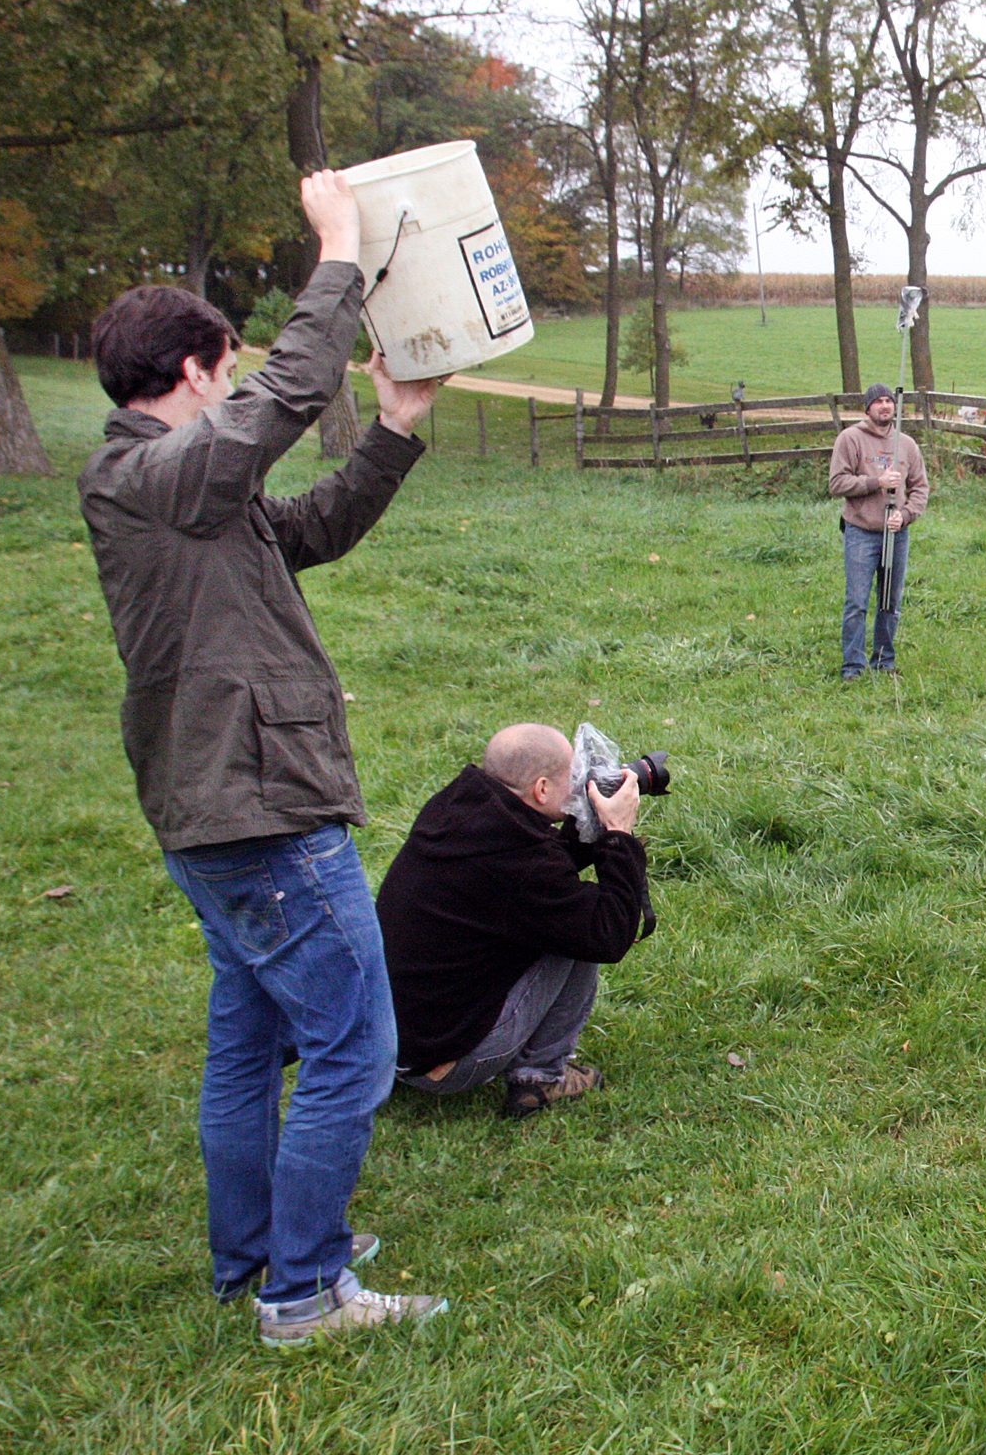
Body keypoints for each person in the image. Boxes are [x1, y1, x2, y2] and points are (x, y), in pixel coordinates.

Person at [78, 172, 449, 1346]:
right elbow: (289, 391)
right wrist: (338, 250)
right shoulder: (155, 475)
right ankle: (305, 1291)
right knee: (354, 1045)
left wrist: (396, 425)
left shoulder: (183, 492)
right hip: (260, 810)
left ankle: (257, 1255)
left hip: (218, 810)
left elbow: (315, 526)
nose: (234, 384)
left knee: (249, 1042)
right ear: (196, 373)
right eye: (225, 369)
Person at [375, 724, 653, 1121]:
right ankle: (540, 1077)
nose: (579, 785)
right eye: (573, 777)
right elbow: (606, 935)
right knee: (578, 933)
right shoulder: (520, 865)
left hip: (385, 1042)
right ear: (541, 790)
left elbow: (541, 870)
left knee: (558, 918)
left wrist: (586, 820)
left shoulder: (459, 809)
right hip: (443, 1063)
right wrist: (618, 834)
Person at [827, 381, 930, 677]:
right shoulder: (851, 439)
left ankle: (884, 661)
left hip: (896, 534)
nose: (885, 406)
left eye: (889, 401)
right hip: (861, 532)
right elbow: (837, 483)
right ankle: (853, 666)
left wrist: (906, 515)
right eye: (878, 401)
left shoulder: (906, 444)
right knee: (857, 602)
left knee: (890, 601)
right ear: (867, 408)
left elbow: (920, 488)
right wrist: (876, 482)